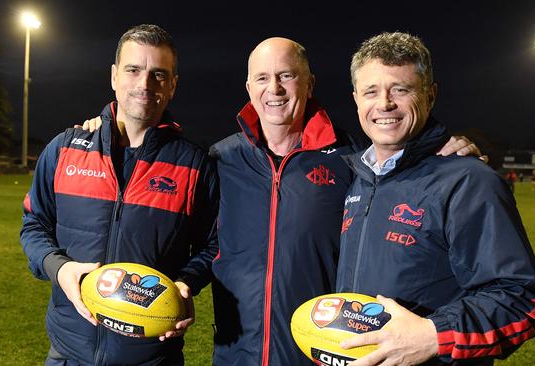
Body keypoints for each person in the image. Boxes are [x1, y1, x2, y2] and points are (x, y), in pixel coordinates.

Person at [79, 37, 481, 366]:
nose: (274, 89)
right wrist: (103, 127)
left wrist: (443, 149)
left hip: (320, 352)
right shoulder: (220, 158)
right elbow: (199, 243)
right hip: (235, 354)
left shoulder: (352, 158)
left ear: (309, 84)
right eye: (263, 78)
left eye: (287, 76)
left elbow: (401, 165)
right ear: (249, 87)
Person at [337, 32, 535, 365]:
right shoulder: (356, 177)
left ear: (431, 94)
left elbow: (524, 298)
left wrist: (433, 334)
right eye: (371, 91)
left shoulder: (469, 180)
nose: (384, 104)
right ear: (356, 99)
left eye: (401, 89)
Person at [20, 24, 219, 365]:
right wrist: (60, 268)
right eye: (133, 70)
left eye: (158, 74)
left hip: (152, 356)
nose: (144, 84)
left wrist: (186, 282)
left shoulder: (195, 165)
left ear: (172, 85)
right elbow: (34, 225)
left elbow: (214, 245)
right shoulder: (65, 149)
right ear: (114, 76)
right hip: (68, 354)